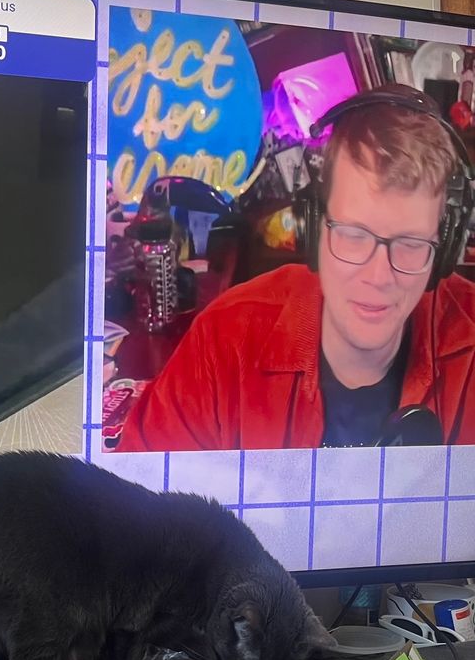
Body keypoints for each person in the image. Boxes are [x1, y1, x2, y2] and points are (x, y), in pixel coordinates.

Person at [118, 84, 475, 450]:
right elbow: (137, 500)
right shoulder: (223, 342)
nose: (379, 276)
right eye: (354, 235)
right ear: (312, 228)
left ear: (444, 250)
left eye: (412, 244)